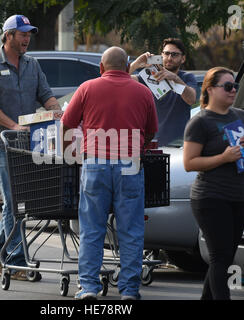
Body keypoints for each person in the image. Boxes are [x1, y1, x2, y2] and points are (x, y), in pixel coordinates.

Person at [61, 46, 158, 300]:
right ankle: (128, 290)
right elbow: (151, 131)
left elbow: (67, 124)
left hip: (95, 163)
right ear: (127, 67)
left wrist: (69, 152)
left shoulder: (87, 88)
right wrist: (140, 147)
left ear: (101, 68)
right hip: (130, 164)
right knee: (131, 230)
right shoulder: (142, 92)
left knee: (92, 228)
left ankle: (89, 287)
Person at [0, 14, 60, 280]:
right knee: (14, 200)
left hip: (28, 143)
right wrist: (12, 125)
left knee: (19, 201)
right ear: (8, 35)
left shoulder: (32, 65)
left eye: (29, 35)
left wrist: (59, 113)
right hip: (1, 142)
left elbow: (46, 96)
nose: (27, 39)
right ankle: (15, 261)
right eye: (22, 34)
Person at [183, 67, 244, 300]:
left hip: (238, 196)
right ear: (210, 89)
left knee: (227, 256)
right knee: (220, 257)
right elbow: (189, 163)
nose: (233, 91)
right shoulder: (200, 122)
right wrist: (224, 157)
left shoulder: (239, 115)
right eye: (227, 86)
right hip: (210, 197)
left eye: (235, 86)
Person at [130, 38, 197, 146]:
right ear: (161, 56)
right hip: (153, 144)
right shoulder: (151, 76)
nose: (170, 58)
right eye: (167, 53)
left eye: (174, 54)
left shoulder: (187, 77)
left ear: (183, 58)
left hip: (179, 145)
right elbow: (119, 79)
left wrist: (175, 78)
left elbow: (191, 99)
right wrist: (136, 64)